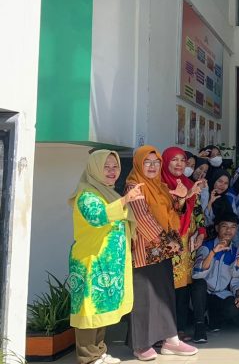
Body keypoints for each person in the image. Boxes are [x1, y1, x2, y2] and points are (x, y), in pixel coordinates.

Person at [68, 150, 143, 364]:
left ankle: (99, 351)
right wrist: (126, 200)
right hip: (91, 261)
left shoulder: (107, 193)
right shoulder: (86, 195)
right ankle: (88, 357)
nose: (112, 171)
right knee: (88, 310)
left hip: (107, 262)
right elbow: (98, 217)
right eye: (106, 167)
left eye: (115, 166)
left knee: (101, 307)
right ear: (94, 168)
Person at [124, 145, 197, 360]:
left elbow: (174, 210)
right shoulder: (133, 187)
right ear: (138, 164)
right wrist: (169, 243)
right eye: (147, 162)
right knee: (144, 298)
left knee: (164, 295)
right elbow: (142, 219)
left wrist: (182, 197)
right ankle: (141, 344)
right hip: (144, 252)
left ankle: (170, 340)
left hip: (163, 250)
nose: (152, 166)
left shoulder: (160, 186)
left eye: (156, 162)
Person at [161, 147, 207, 341]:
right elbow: (165, 213)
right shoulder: (160, 186)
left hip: (188, 244)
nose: (179, 164)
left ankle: (178, 328)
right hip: (168, 243)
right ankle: (163, 331)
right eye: (175, 160)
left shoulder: (189, 183)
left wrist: (201, 232)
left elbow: (197, 211)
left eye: (183, 160)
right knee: (165, 287)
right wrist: (185, 196)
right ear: (166, 162)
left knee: (183, 288)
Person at [190, 211, 239, 344]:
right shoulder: (206, 246)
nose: (228, 230)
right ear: (217, 228)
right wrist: (213, 252)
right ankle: (200, 326)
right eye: (224, 226)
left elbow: (237, 278)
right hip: (203, 295)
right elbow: (197, 273)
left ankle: (212, 318)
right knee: (199, 284)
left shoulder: (236, 252)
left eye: (233, 227)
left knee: (234, 309)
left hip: (220, 294)